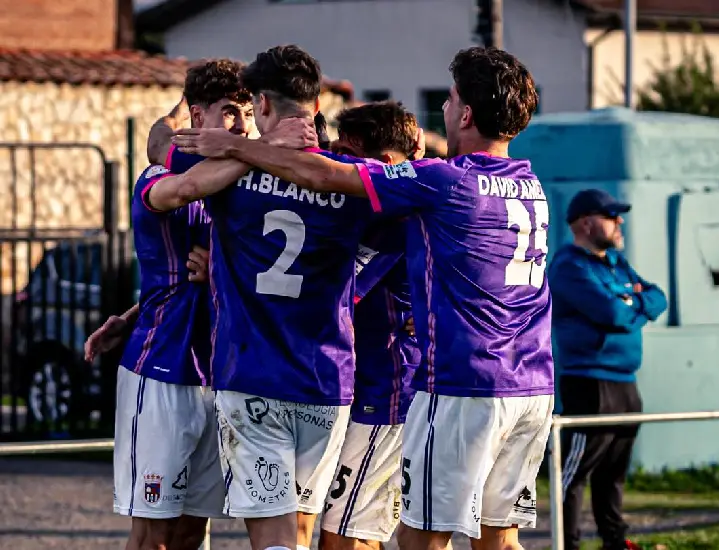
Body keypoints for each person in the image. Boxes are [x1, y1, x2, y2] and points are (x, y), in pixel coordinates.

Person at [170, 45, 554, 550]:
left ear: (465, 113)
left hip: (464, 382)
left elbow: (326, 175)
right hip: (533, 385)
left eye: (450, 96)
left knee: (418, 540)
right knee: (500, 541)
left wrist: (237, 147)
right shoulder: (532, 185)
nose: (440, 107)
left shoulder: (442, 181)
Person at [153, 45, 371, 550]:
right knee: (299, 531)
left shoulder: (229, 171)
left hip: (252, 376)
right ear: (316, 108)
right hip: (326, 380)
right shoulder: (348, 177)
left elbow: (159, 144)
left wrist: (190, 124)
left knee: (272, 537)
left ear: (263, 108)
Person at [105, 59, 253, 550]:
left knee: (194, 532)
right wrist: (262, 153)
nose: (241, 126)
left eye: (248, 114)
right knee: (155, 536)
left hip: (219, 378)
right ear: (196, 115)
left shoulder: (246, 191)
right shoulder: (160, 177)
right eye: (230, 112)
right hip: (161, 373)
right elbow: (180, 175)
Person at [319, 101, 422, 550]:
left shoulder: (395, 218)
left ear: (380, 165)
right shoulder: (380, 206)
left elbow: (334, 287)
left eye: (344, 155)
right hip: (363, 388)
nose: (334, 166)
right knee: (364, 532)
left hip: (388, 392)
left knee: (346, 537)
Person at [547, 189, 667, 550]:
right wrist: (631, 301)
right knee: (574, 474)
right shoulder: (569, 266)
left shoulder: (616, 262)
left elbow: (659, 296)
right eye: (612, 216)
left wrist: (633, 301)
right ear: (586, 222)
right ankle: (566, 544)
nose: (620, 222)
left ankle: (614, 542)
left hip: (626, 383)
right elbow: (612, 315)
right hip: (589, 383)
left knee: (613, 473)